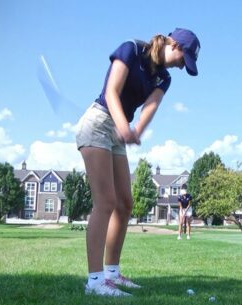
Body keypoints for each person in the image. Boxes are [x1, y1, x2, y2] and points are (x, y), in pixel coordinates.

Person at [75, 28, 201, 297]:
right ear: (174, 44)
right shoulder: (131, 49)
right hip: (98, 123)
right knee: (106, 202)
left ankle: (112, 273)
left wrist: (137, 132)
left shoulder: (164, 78)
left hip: (117, 131)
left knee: (125, 203)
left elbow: (149, 109)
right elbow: (111, 92)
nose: (182, 66)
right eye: (183, 59)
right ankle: (95, 282)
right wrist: (124, 127)